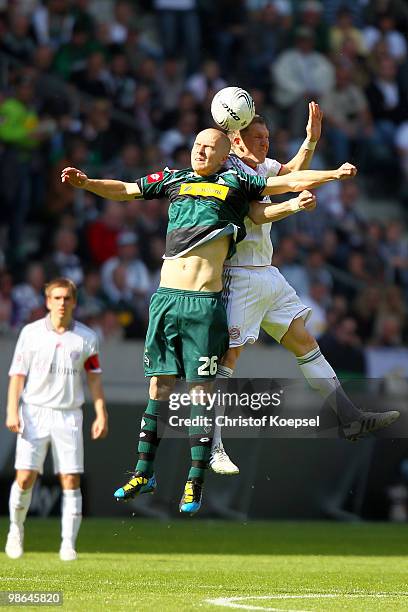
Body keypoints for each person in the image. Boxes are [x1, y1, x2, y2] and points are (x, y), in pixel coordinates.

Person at [61, 127, 357, 515]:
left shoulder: (237, 182)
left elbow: (287, 181)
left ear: (224, 155)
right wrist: (87, 183)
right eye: (197, 146)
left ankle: (194, 482)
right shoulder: (174, 179)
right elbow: (124, 189)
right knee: (159, 387)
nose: (200, 152)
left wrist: (331, 174)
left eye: (209, 148)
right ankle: (142, 471)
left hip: (204, 303)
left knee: (200, 391)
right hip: (165, 300)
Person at [208, 106, 400, 475]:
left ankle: (349, 416)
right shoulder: (230, 171)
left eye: (266, 138)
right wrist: (321, 184)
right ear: (236, 139)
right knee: (228, 360)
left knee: (305, 342)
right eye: (257, 139)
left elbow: (294, 172)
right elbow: (256, 214)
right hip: (240, 275)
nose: (264, 144)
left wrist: (311, 139)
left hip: (266, 272)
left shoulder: (261, 168)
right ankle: (211, 444)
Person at [5, 278, 108, 561]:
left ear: (74, 302)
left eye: (67, 298)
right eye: (57, 298)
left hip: (69, 415)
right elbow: (17, 376)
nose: (62, 303)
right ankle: (15, 530)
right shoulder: (30, 333)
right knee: (25, 477)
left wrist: (101, 412)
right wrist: (12, 410)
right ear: (48, 301)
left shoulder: (87, 337)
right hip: (34, 411)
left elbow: (94, 379)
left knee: (70, 479)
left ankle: (68, 544)